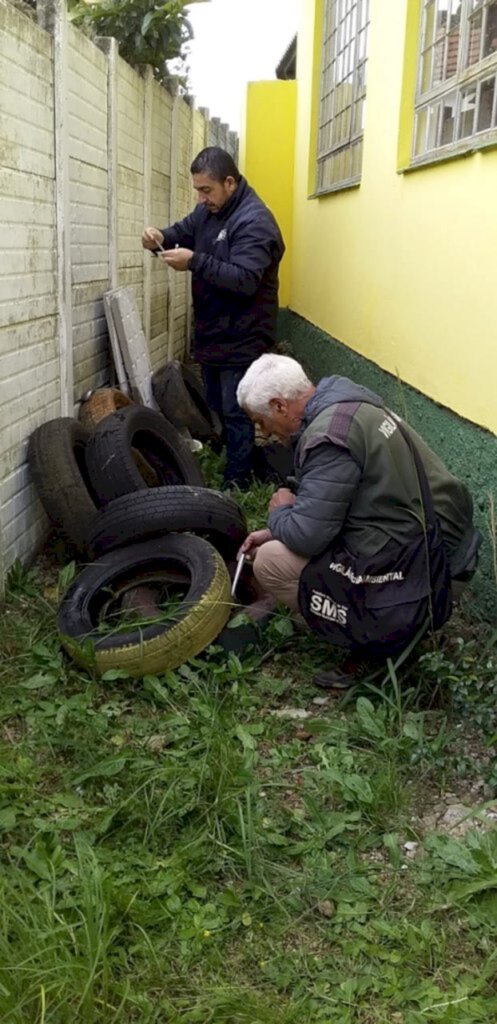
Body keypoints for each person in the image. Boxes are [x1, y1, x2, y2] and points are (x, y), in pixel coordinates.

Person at [236, 354, 482, 688]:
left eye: (260, 421)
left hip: (429, 571)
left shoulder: (328, 437)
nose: (262, 432)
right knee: (282, 541)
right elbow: (341, 502)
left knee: (271, 561)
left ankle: (374, 643)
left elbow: (308, 536)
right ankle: (382, 625)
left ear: (279, 406)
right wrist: (278, 528)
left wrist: (280, 512)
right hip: (446, 546)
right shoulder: (350, 403)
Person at [141, 147, 285, 488]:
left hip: (244, 335)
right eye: (197, 190)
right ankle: (232, 460)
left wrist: (194, 262)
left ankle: (238, 484)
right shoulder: (209, 211)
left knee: (237, 410)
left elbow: (245, 280)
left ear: (230, 183)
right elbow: (181, 231)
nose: (201, 197)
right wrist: (157, 237)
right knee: (218, 404)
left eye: (206, 190)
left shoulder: (255, 221)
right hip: (213, 332)